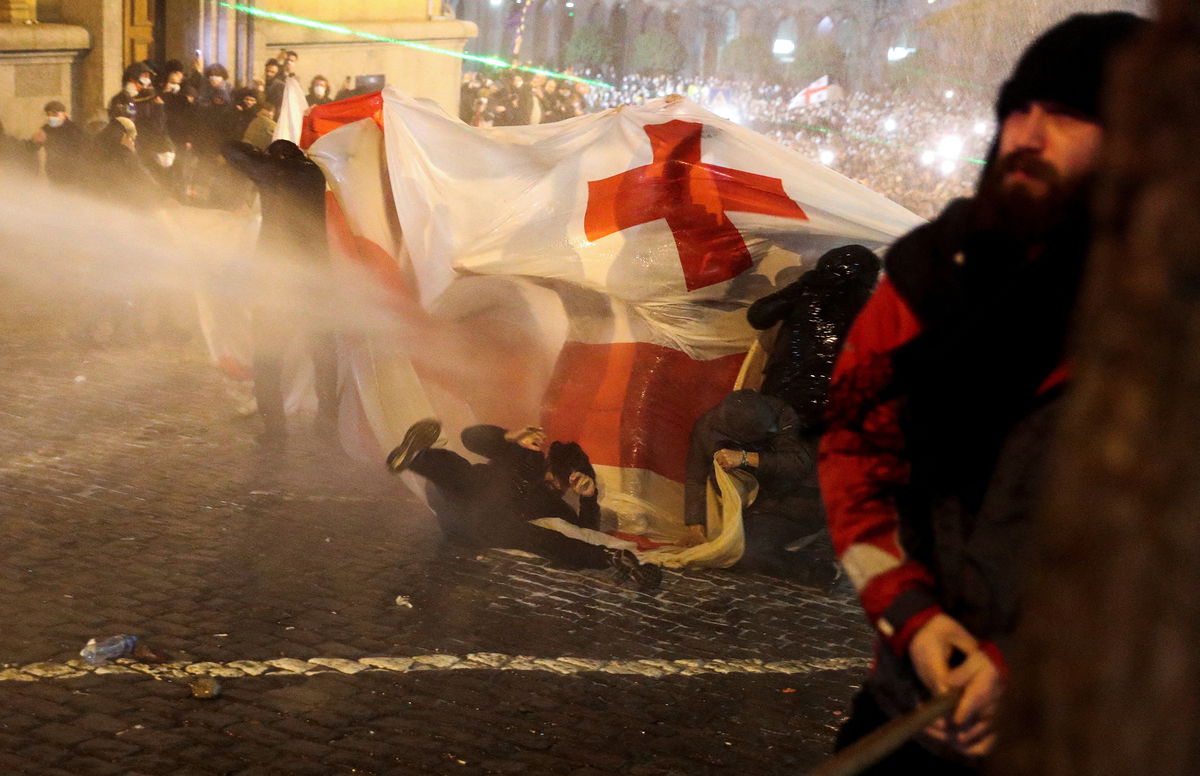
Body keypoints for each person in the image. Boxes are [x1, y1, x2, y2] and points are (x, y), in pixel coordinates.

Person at [818, 12, 1148, 772]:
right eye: (1018, 111)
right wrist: (914, 618)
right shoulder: (926, 280)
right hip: (916, 695)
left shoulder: (1164, 324)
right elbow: (854, 457)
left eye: (1066, 115)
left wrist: (1030, 659)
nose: (1028, 136)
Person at [387, 419, 662, 591]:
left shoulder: (553, 505)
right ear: (550, 465)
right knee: (466, 476)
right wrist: (510, 437)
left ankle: (614, 561)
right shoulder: (525, 457)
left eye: (566, 486)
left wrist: (588, 498)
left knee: (535, 536)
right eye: (559, 477)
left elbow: (582, 532)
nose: (558, 486)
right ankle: (417, 456)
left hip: (481, 529)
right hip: (457, 499)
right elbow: (470, 437)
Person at [221, 139, 338, 443]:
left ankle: (275, 430)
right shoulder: (314, 173)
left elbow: (230, 149)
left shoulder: (274, 173)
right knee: (324, 355)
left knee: (268, 358)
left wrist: (262, 154)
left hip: (279, 283)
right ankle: (328, 422)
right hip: (316, 279)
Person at [684, 390, 826, 577]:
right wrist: (695, 525)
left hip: (795, 502)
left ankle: (816, 571)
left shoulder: (784, 416)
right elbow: (696, 477)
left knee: (747, 553)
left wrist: (746, 458)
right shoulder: (707, 427)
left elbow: (799, 463)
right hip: (754, 507)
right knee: (728, 551)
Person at [747, 245, 880, 431]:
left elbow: (758, 316)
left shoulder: (806, 291)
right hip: (837, 401)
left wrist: (801, 286)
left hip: (785, 391)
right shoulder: (874, 307)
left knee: (778, 447)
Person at [29, 100, 87, 188]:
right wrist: (34, 141)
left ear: (64, 114)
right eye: (49, 115)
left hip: (72, 175)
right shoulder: (47, 129)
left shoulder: (73, 129)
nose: (51, 118)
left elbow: (80, 150)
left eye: (55, 114)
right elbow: (31, 148)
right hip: (53, 175)